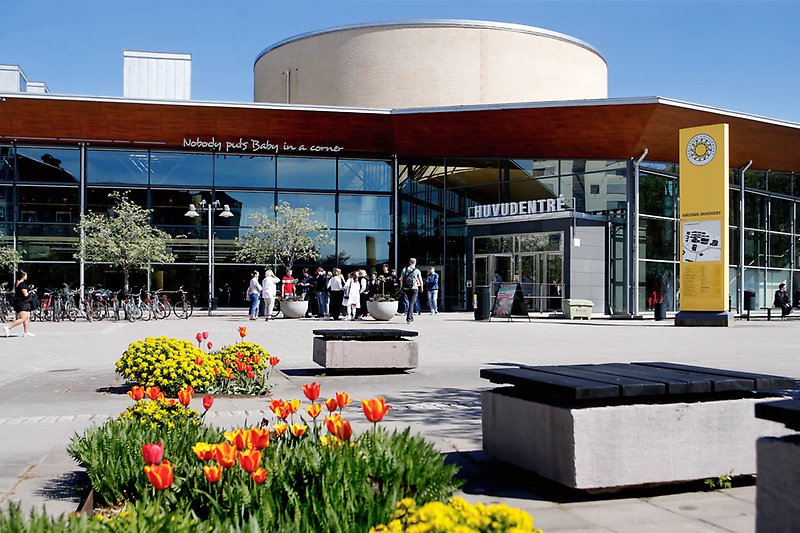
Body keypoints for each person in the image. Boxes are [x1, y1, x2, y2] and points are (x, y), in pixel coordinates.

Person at [4, 270, 35, 337]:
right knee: (22, 318)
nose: (27, 276)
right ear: (23, 276)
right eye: (26, 275)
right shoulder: (22, 284)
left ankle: (26, 332)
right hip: (23, 303)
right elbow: (25, 295)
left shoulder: (17, 282)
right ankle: (8, 327)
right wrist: (31, 293)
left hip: (22, 302)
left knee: (27, 317)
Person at [400, 258, 423, 324]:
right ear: (415, 262)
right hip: (414, 288)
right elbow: (420, 280)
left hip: (406, 288)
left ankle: (408, 316)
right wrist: (421, 287)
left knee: (407, 301)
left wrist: (401, 286)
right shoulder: (417, 270)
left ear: (409, 262)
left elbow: (401, 279)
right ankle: (409, 319)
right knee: (411, 303)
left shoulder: (405, 269)